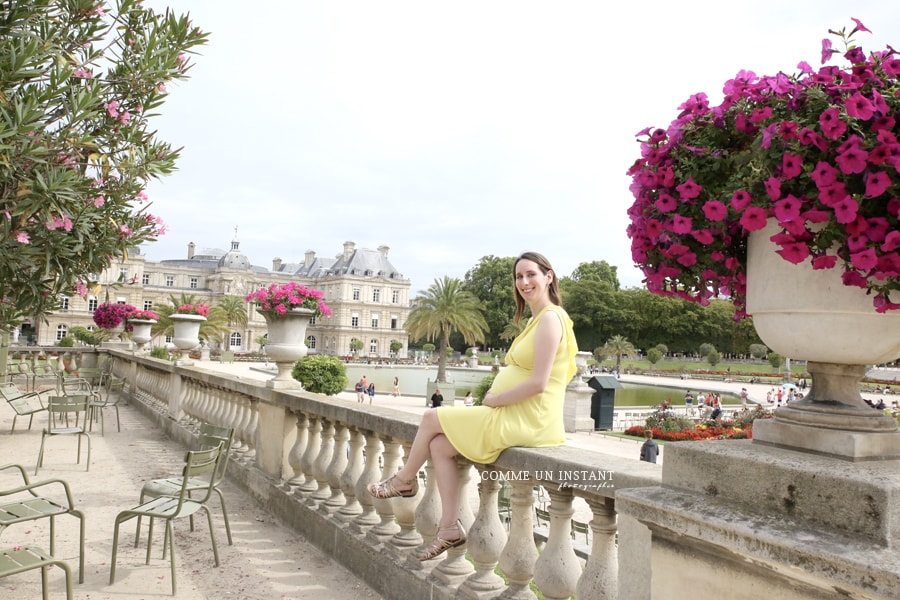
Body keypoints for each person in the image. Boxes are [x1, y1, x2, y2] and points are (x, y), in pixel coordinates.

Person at [366, 251, 577, 561]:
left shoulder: (549, 319)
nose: (524, 282)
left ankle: (404, 481)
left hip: (530, 418)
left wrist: (493, 399)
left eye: (531, 274)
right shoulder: (538, 319)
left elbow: (539, 383)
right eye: (519, 276)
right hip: (519, 414)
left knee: (431, 416)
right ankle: (450, 527)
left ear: (549, 276)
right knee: (438, 446)